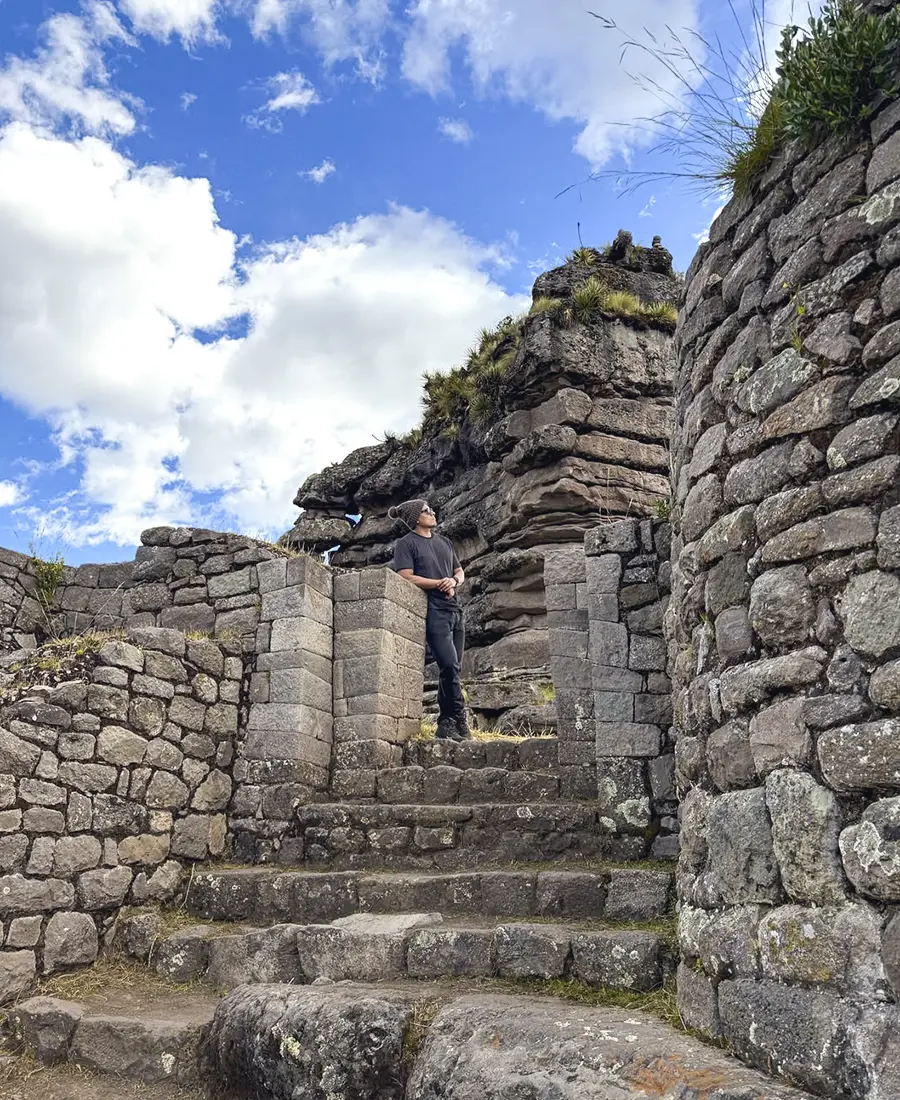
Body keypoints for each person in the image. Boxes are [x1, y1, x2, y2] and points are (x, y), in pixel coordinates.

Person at [389, 498, 471, 741]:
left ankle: (446, 723)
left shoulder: (444, 542)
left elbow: (459, 571)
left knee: (453, 669)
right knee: (447, 664)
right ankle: (460, 717)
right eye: (427, 511)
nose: (432, 513)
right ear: (416, 518)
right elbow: (406, 576)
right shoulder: (407, 544)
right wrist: (438, 583)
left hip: (455, 610)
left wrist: (453, 581)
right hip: (434, 609)